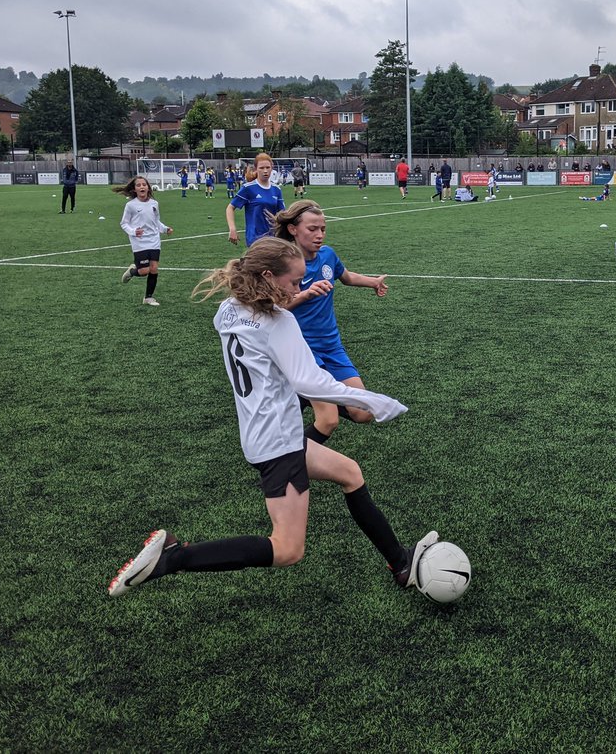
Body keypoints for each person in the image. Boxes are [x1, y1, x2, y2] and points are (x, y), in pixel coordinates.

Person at [108, 236, 438, 598]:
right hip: (279, 441)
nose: (299, 289)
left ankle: (400, 563)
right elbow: (308, 382)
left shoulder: (228, 309)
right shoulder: (278, 321)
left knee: (350, 473)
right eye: (294, 281)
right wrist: (375, 401)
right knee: (287, 548)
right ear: (268, 276)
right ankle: (174, 556)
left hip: (261, 432)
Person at [273, 200, 390, 444]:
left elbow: (345, 277)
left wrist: (373, 282)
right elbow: (272, 309)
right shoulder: (283, 265)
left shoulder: (327, 254)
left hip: (331, 347)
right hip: (302, 351)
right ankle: (286, 462)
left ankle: (303, 395)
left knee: (364, 412)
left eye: (323, 229)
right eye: (312, 229)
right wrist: (305, 295)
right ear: (293, 229)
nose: (319, 235)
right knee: (328, 420)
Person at [116, 176, 173, 306]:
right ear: (134, 189)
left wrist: (165, 229)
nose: (142, 187)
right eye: (138, 185)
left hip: (154, 240)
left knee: (154, 268)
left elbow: (156, 221)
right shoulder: (130, 205)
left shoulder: (154, 203)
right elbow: (124, 223)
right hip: (139, 241)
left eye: (144, 184)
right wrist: (133, 231)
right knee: (143, 271)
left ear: (148, 187)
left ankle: (148, 298)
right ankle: (132, 271)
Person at [227, 152, 286, 246]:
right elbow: (230, 208)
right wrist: (232, 229)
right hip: (255, 239)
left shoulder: (276, 189)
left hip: (274, 239)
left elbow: (283, 214)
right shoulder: (248, 188)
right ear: (256, 169)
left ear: (272, 168)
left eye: (268, 167)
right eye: (261, 168)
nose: (265, 171)